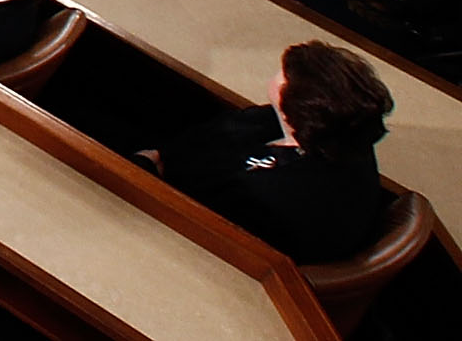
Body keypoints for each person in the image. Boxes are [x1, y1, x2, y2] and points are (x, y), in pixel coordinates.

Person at [148, 42, 393, 264]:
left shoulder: (270, 196)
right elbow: (207, 140)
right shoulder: (339, 134)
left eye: (286, 76)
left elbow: (199, 216)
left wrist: (151, 164)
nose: (279, 75)